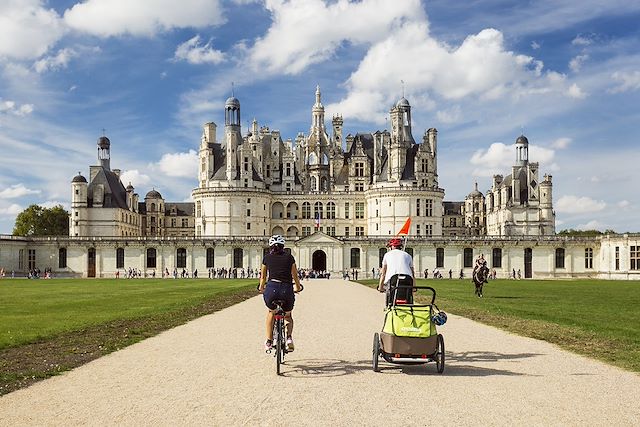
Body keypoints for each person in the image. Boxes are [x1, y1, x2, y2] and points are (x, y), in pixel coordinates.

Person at [258, 235, 302, 352]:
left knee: (271, 312)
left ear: (271, 246)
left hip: (272, 289)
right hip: (286, 289)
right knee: (288, 315)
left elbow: (263, 277)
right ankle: (288, 339)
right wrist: (298, 287)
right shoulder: (289, 258)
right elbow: (295, 276)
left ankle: (269, 341)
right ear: (283, 246)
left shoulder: (266, 258)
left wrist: (261, 288)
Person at [377, 238, 415, 306]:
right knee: (408, 295)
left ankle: (390, 306)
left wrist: (380, 287)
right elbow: (413, 273)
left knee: (390, 294)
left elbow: (383, 273)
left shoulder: (387, 255)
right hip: (408, 280)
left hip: (393, 280)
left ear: (392, 246)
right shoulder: (408, 255)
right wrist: (414, 287)